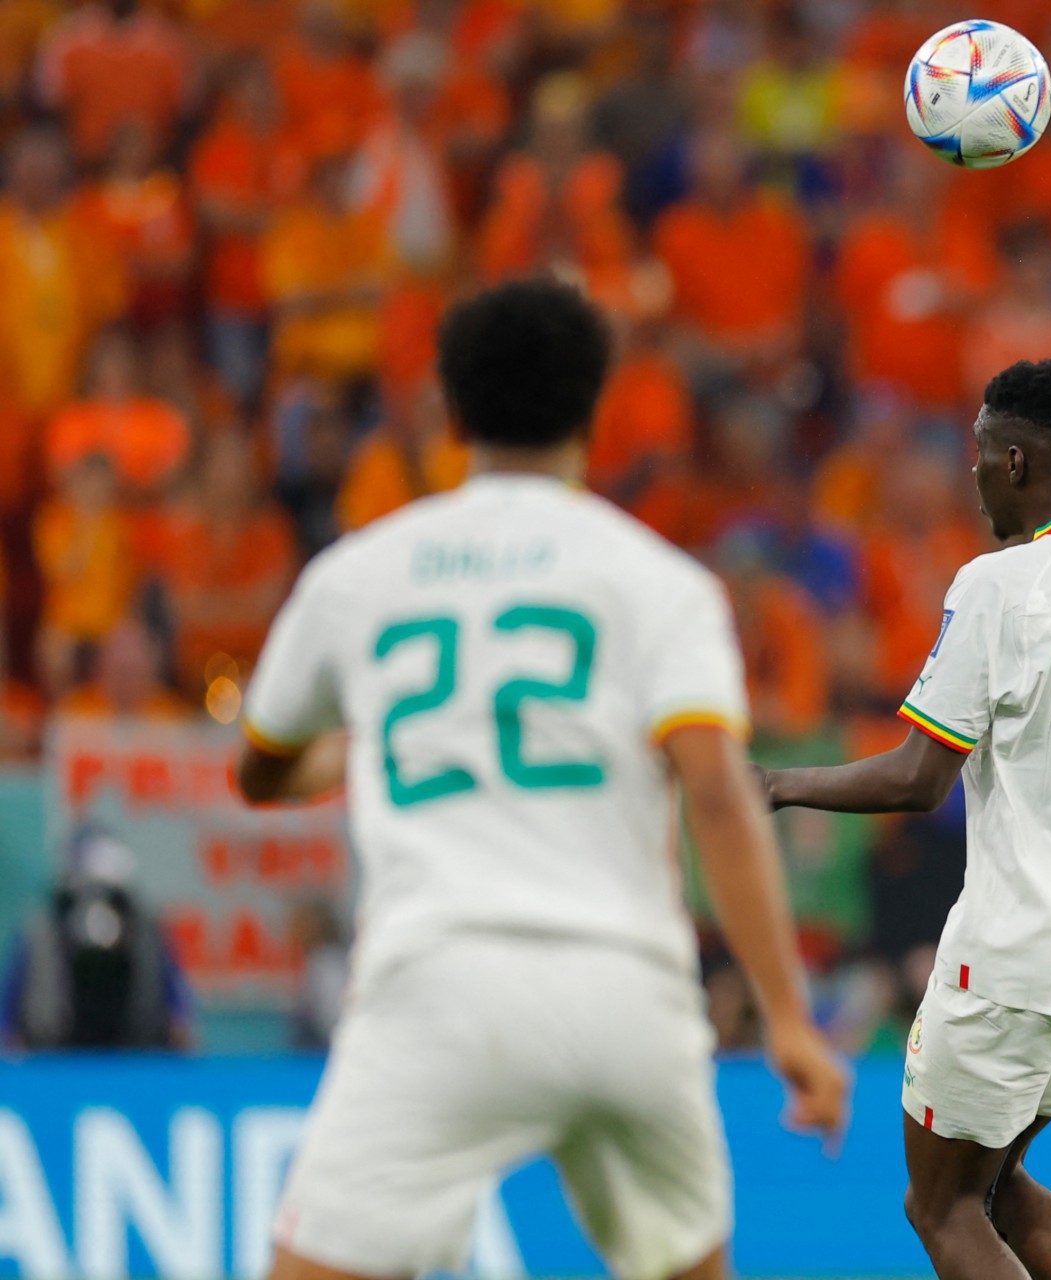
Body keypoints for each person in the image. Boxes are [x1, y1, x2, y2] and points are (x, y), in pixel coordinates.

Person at [234, 278, 846, 1280]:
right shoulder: (660, 580)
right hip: (626, 990)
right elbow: (719, 794)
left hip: (438, 983)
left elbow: (260, 765)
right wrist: (785, 1013)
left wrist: (359, 745)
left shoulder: (356, 574)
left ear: (449, 409)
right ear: (596, 409)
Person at [764, 359, 1051, 1280]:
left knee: (941, 1205)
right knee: (998, 1180)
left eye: (982, 458)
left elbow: (915, 780)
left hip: (1022, 946)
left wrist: (778, 784)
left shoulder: (998, 585)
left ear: (1015, 461)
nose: (974, 478)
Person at [0, 826, 194, 1050]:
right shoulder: (40, 931)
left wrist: (181, 1019)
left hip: (135, 1052)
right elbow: (14, 987)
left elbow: (171, 983)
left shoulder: (146, 931)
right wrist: (7, 1030)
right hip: (54, 1054)